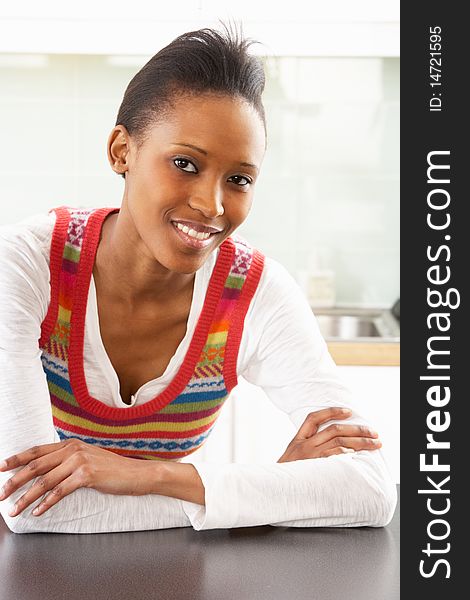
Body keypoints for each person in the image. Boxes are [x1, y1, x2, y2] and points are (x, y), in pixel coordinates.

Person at [0, 25, 396, 534]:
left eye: (239, 179)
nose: (212, 205)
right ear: (122, 151)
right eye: (185, 164)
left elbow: (371, 489)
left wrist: (156, 477)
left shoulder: (254, 293)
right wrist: (272, 491)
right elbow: (33, 508)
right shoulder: (28, 266)